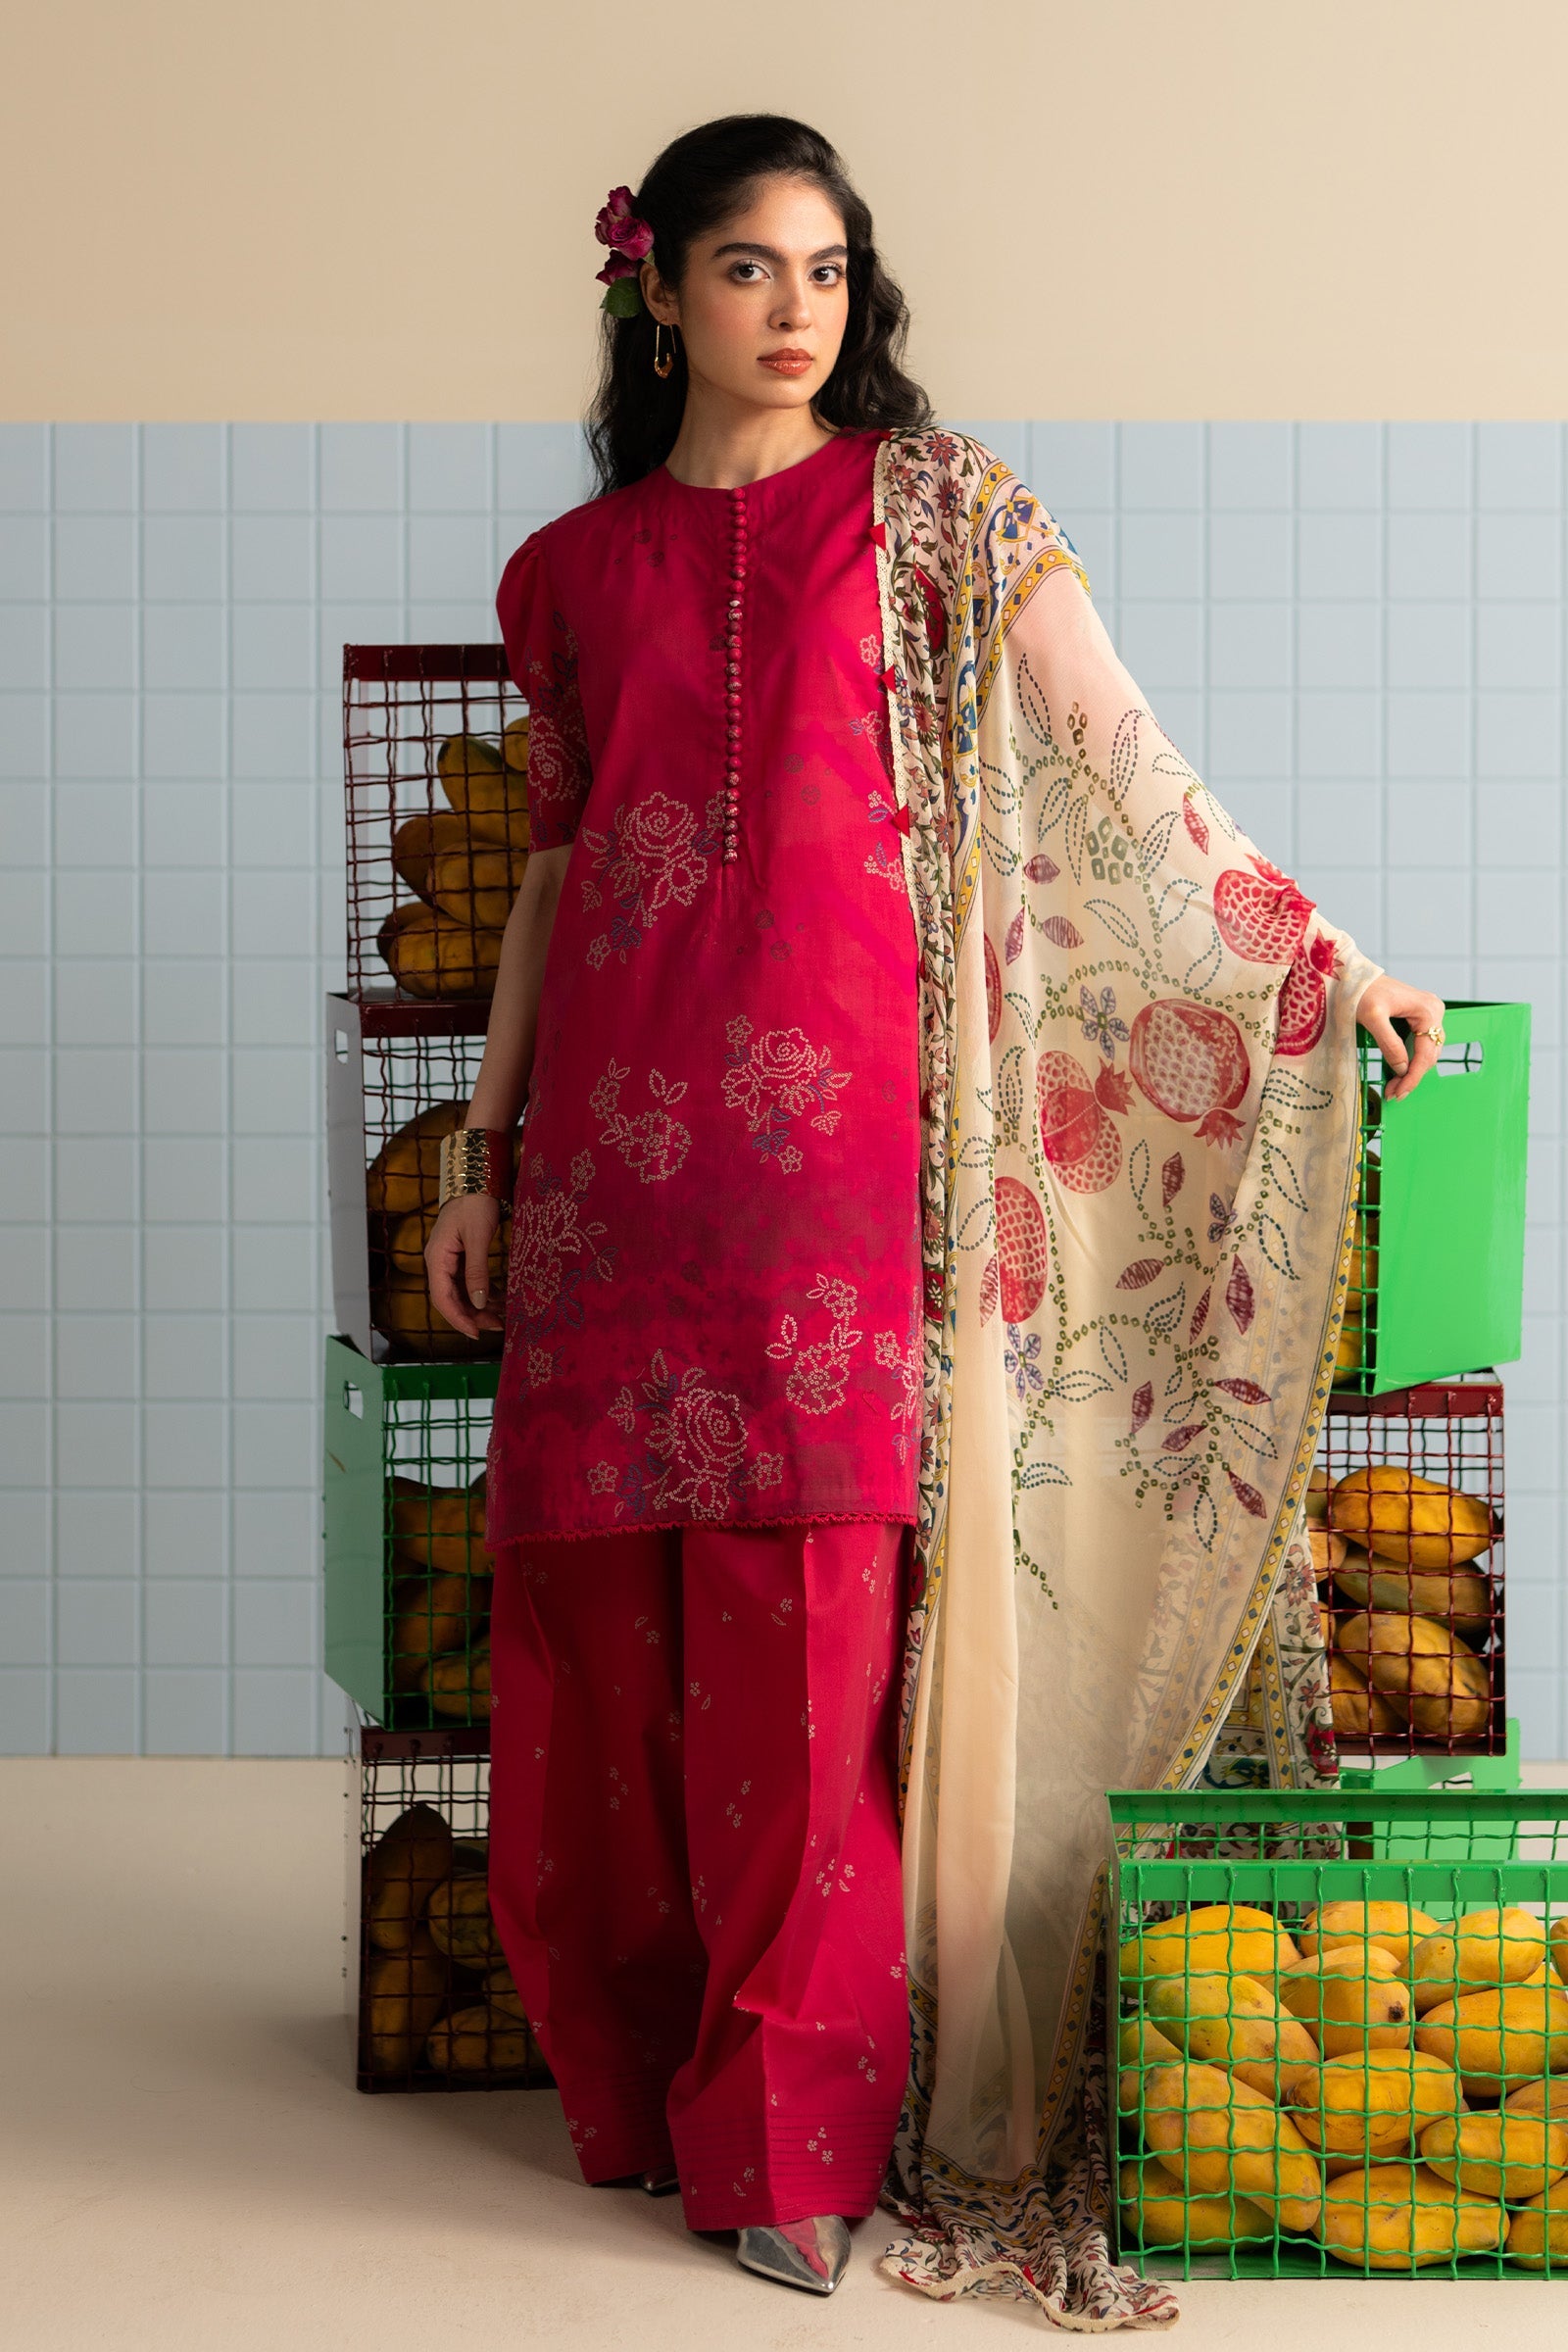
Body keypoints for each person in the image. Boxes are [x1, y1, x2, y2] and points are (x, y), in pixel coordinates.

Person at [423, 115, 1445, 2314]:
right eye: (745, 268)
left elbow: (1129, 764)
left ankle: (784, 2146)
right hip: (612, 1167)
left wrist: (1325, 955)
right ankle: (629, 2092)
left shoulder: (941, 514)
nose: (795, 310)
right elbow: (557, 883)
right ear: (656, 294)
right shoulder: (567, 573)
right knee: (598, 1638)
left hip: (841, 1167)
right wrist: (483, 1152)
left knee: (807, 1650)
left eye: (825, 269)